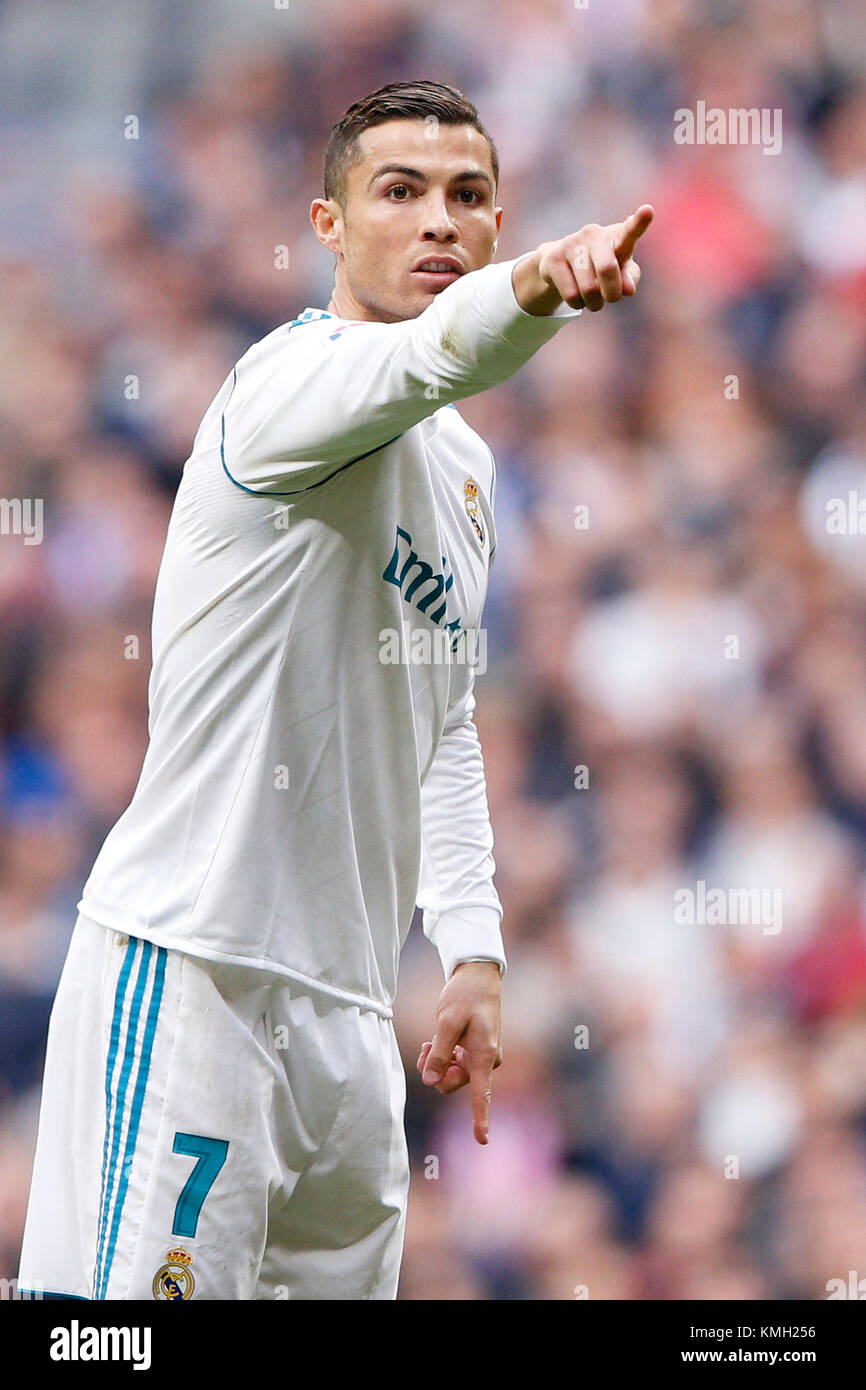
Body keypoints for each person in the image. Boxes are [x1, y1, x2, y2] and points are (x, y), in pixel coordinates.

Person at [18, 80, 652, 1301]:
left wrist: (472, 949)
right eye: (398, 192)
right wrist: (537, 284)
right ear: (326, 224)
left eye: (467, 199)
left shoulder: (465, 474)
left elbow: (446, 713)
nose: (438, 223)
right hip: (198, 968)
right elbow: (430, 353)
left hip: (353, 1025)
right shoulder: (284, 386)